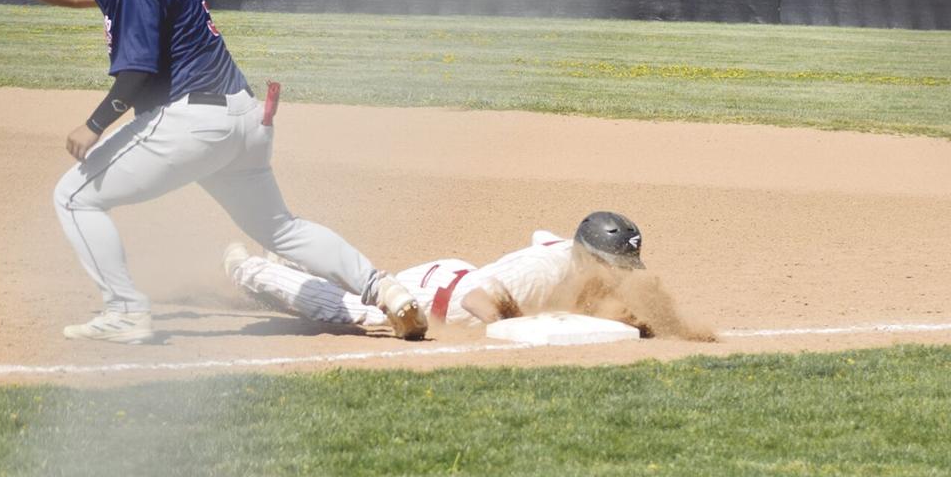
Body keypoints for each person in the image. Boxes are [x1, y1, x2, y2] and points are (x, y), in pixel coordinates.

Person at [11, 0, 426, 344]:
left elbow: (138, 71)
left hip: (194, 124)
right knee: (281, 229)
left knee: (73, 196)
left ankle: (125, 311)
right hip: (243, 120)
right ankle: (385, 288)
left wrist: (94, 124)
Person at [224, 211, 648, 330]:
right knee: (350, 307)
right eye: (616, 267)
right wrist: (510, 329)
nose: (621, 276)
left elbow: (542, 235)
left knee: (363, 283)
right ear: (589, 257)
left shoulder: (566, 252)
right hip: (438, 302)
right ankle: (248, 268)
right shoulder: (539, 273)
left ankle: (290, 257)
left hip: (449, 272)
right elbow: (476, 297)